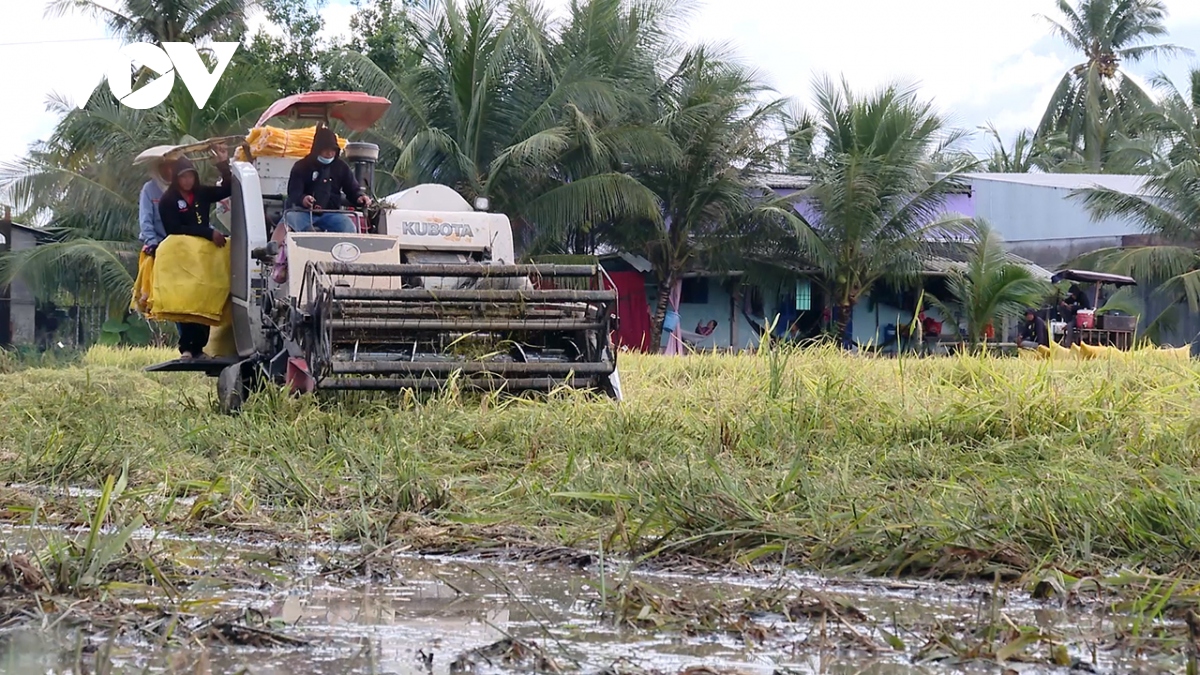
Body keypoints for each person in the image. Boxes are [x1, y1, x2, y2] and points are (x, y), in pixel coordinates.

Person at [158, 145, 231, 359]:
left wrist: (223, 165)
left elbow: (226, 190)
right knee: (185, 299)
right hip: (181, 257)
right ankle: (186, 347)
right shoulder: (168, 200)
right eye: (183, 177)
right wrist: (208, 233)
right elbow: (174, 229)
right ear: (176, 179)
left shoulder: (201, 193)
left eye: (191, 176)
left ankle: (199, 348)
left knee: (204, 297)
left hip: (203, 257)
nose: (188, 181)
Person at [284, 126, 371, 233]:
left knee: (348, 227)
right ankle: (284, 245)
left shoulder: (341, 167)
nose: (330, 153)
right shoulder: (301, 166)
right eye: (326, 150)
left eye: (333, 150)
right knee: (290, 220)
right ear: (317, 150)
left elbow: (352, 189)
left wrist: (359, 197)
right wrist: (303, 199)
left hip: (332, 214)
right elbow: (294, 192)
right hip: (304, 213)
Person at [138, 158, 174, 255]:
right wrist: (153, 244)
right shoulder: (149, 189)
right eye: (163, 166)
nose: (168, 170)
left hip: (178, 245)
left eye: (172, 165)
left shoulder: (181, 187)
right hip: (158, 245)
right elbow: (145, 220)